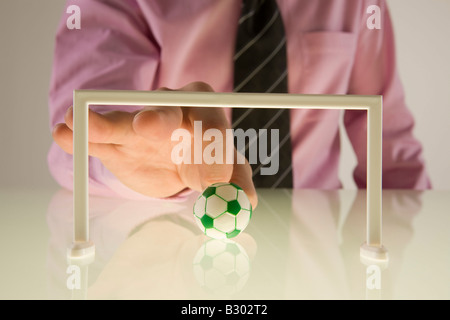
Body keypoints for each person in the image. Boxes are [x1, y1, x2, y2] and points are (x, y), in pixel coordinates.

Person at [48, 0, 431, 208]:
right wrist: (127, 160)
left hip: (316, 262)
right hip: (165, 252)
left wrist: (413, 255)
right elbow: (83, 129)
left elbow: (393, 153)